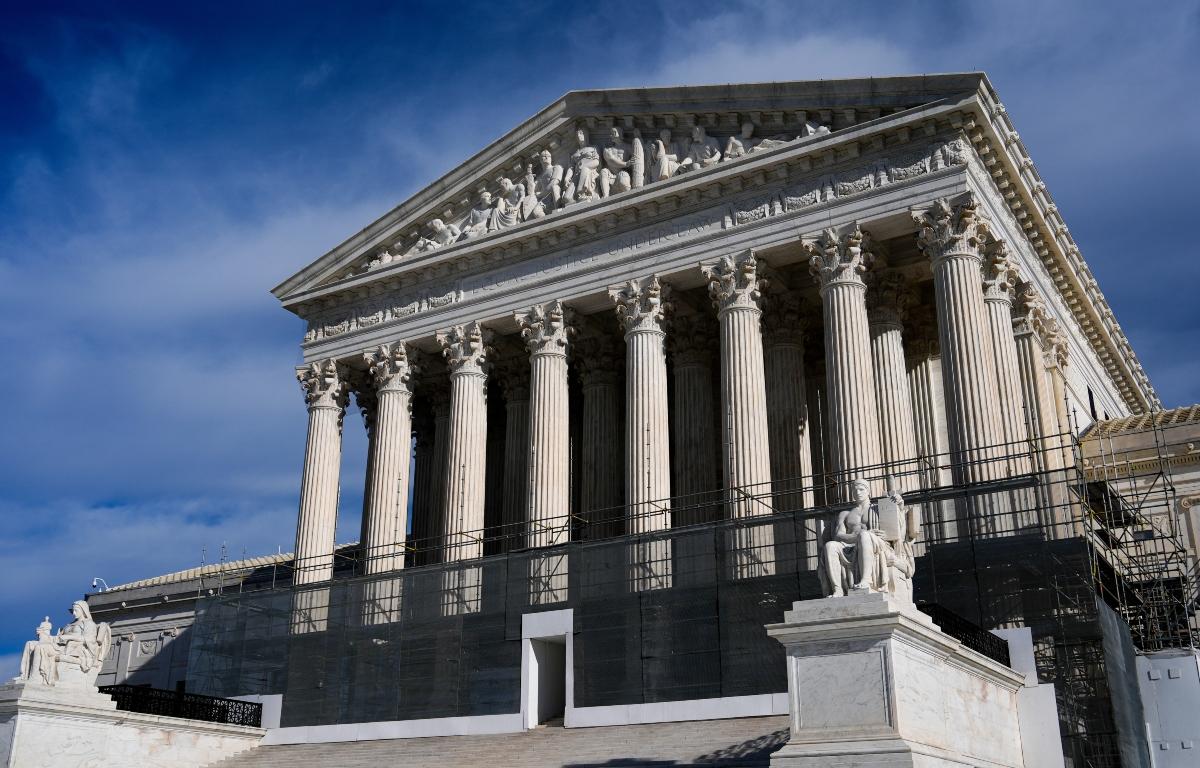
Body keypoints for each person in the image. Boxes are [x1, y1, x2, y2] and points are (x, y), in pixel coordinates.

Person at [820, 479, 917, 598]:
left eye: (861, 489)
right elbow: (838, 536)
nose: (858, 493)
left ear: (868, 491)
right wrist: (856, 536)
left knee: (864, 535)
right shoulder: (845, 514)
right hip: (850, 545)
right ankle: (838, 589)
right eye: (855, 490)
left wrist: (899, 506)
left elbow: (899, 531)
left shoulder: (879, 508)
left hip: (877, 543)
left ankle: (866, 581)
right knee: (830, 545)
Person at [19, 616, 59, 685]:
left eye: (75, 611)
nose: (74, 613)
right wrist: (42, 633)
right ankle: (24, 674)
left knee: (39, 647)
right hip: (50, 640)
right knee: (29, 643)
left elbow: (82, 638)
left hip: (60, 645)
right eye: (73, 611)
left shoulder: (83, 623)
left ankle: (36, 677)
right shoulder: (69, 625)